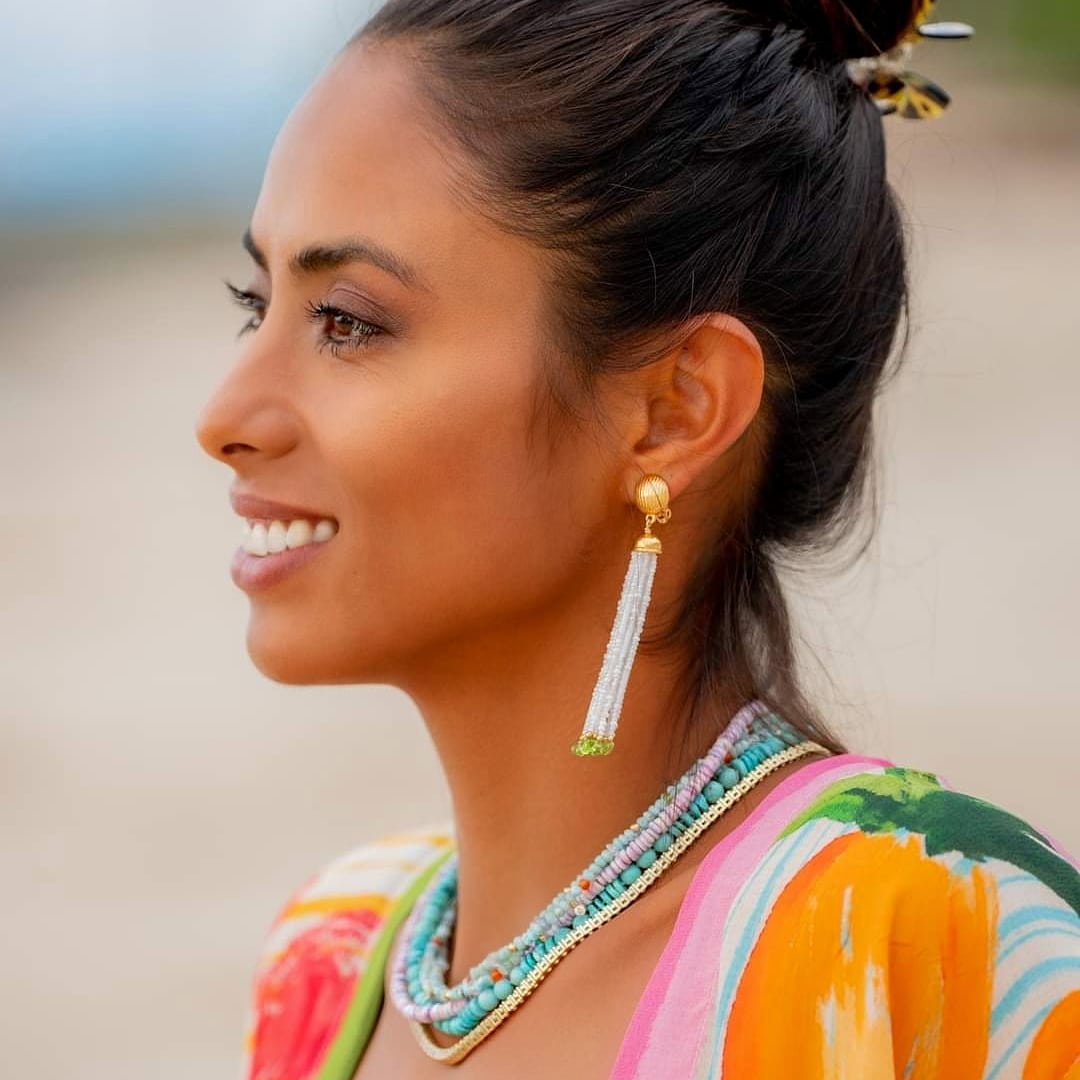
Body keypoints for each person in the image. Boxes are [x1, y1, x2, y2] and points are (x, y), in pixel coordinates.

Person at [194, 0, 1080, 1076]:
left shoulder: (935, 939)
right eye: (256, 303)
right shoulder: (329, 956)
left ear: (674, 410)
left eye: (347, 321)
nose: (224, 416)